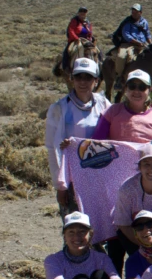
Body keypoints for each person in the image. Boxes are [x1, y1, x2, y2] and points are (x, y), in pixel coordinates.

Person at [45, 57, 111, 215]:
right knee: (74, 225)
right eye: (78, 77)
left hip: (98, 176)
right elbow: (51, 147)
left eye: (88, 78)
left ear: (96, 81)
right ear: (71, 79)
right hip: (71, 178)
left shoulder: (104, 104)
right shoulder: (59, 108)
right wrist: (60, 185)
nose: (83, 82)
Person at [91, 70, 152, 161]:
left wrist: (151, 161)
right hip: (117, 169)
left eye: (142, 87)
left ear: (150, 89)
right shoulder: (112, 112)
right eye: (132, 86)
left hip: (147, 170)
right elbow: (96, 144)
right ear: (126, 88)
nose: (136, 91)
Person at [110, 4, 152, 83]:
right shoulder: (127, 22)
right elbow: (126, 35)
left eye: (136, 12)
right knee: (121, 57)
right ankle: (119, 77)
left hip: (143, 44)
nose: (134, 13)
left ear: (140, 12)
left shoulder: (144, 22)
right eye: (133, 11)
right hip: (128, 44)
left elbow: (147, 34)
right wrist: (137, 42)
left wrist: (151, 44)